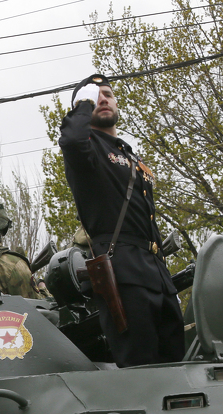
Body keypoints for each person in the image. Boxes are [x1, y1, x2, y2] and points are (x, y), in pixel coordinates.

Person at [59, 74, 184, 367]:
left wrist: (165, 280)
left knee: (176, 366)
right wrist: (82, 105)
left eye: (108, 94)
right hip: (123, 273)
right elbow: (71, 140)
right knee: (141, 368)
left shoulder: (127, 154)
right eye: (94, 96)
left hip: (156, 273)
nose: (103, 98)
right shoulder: (87, 150)